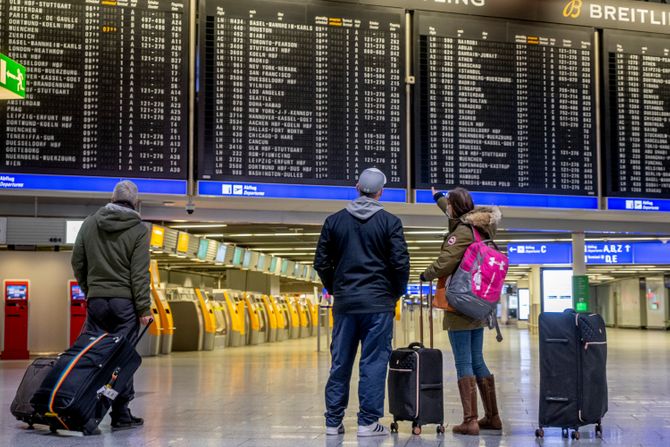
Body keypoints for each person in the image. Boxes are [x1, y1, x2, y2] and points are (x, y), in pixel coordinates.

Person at [314, 168, 410, 438]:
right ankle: (368, 423)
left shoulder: (333, 221)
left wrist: (337, 289)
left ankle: (333, 421)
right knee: (374, 362)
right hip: (378, 305)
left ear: (357, 187)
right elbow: (401, 263)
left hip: (345, 305)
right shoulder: (391, 222)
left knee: (340, 362)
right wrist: (395, 293)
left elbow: (321, 262)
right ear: (381, 192)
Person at [420, 186, 503, 436]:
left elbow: (446, 261)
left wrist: (426, 274)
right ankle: (493, 417)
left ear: (456, 209)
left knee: (464, 362)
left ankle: (470, 420)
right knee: (478, 360)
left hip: (460, 304)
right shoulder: (481, 227)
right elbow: (451, 210)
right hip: (479, 304)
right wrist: (438, 197)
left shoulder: (462, 232)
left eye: (450, 206)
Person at [71, 180, 152, 429]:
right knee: (121, 359)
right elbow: (139, 274)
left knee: (93, 355)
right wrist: (144, 309)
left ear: (111, 198)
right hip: (124, 306)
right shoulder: (138, 229)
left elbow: (77, 262)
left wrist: (90, 291)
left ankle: (83, 405)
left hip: (96, 303)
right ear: (135, 202)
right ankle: (120, 413)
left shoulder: (89, 222)